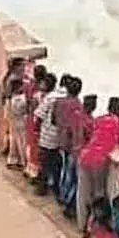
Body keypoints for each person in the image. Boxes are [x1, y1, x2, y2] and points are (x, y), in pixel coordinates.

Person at [76, 97, 119, 237]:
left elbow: (92, 136)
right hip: (100, 161)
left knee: (83, 193)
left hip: (85, 156)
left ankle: (81, 224)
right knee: (99, 193)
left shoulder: (98, 119)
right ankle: (96, 225)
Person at [61, 92, 96, 220]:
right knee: (77, 183)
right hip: (81, 154)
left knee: (68, 179)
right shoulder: (90, 122)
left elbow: (68, 132)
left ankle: (64, 200)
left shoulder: (75, 116)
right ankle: (70, 206)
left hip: (72, 151)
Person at [51, 76, 85, 209]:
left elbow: (53, 120)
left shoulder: (59, 102)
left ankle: (62, 194)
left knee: (64, 169)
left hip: (61, 139)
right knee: (70, 172)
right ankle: (66, 198)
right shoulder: (78, 106)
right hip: (72, 143)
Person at [32, 73, 64, 196]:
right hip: (59, 137)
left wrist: (36, 130)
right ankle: (55, 187)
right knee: (56, 163)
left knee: (44, 163)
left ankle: (42, 188)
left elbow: (39, 115)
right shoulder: (62, 96)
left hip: (47, 136)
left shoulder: (49, 98)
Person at [4, 78, 29, 170]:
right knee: (22, 142)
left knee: (14, 141)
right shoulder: (22, 98)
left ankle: (12, 160)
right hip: (21, 120)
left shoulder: (10, 98)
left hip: (13, 121)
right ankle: (23, 162)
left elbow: (7, 112)